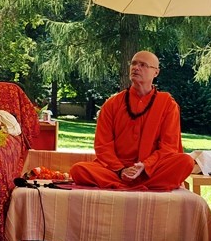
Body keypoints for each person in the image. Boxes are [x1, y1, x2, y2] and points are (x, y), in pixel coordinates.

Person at [68, 50, 195, 190]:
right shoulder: (112, 104)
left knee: (186, 162)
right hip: (115, 171)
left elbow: (168, 147)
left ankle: (128, 185)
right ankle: (138, 185)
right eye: (134, 63)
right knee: (78, 170)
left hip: (150, 170)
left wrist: (145, 166)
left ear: (156, 72)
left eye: (143, 65)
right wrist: (121, 170)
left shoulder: (168, 105)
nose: (136, 67)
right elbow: (103, 146)